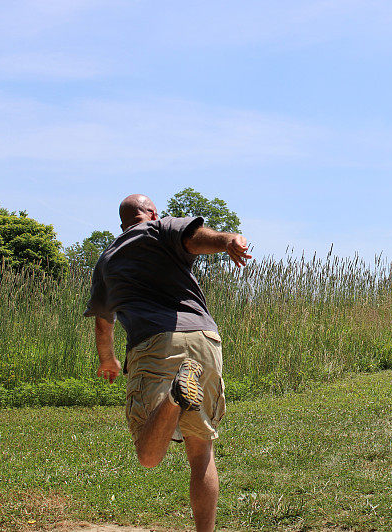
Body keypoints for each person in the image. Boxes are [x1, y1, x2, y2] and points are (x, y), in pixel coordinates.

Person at [85, 194, 251, 532]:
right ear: (152, 213)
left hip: (155, 344)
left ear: (122, 223)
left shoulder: (107, 259)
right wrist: (228, 241)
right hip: (205, 339)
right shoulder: (161, 228)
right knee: (200, 450)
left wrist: (109, 359)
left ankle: (176, 395)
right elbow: (196, 238)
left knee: (149, 455)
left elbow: (104, 320)